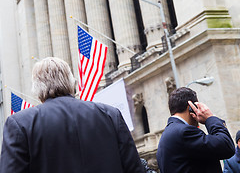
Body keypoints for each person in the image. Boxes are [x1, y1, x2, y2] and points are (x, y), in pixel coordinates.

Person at [0, 57, 145, 173]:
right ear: (71, 82)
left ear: (37, 89)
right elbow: (134, 168)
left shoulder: (20, 124)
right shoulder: (110, 115)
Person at [156, 87, 235, 173]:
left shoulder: (168, 133)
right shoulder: (184, 132)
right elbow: (226, 146)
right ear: (191, 107)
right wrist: (210, 118)